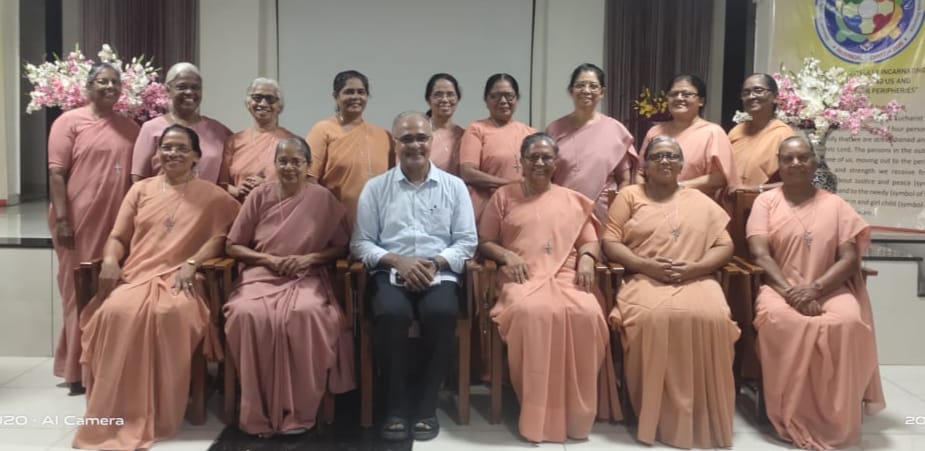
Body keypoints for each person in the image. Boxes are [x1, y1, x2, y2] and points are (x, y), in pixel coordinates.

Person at [73, 124, 240, 450]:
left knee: (170, 312)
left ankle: (160, 405)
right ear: (157, 152)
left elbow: (223, 238)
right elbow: (118, 236)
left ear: (196, 156)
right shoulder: (141, 190)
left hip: (184, 277)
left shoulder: (213, 196)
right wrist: (110, 260)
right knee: (115, 312)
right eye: (167, 147)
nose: (173, 153)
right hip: (137, 275)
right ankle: (117, 410)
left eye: (181, 148)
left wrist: (192, 262)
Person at [746, 136, 885, 450]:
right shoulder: (765, 203)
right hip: (779, 289)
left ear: (814, 162)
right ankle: (792, 412)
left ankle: (836, 415)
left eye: (803, 158)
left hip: (829, 288)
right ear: (779, 165)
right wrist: (791, 294)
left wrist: (814, 289)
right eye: (788, 159)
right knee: (783, 322)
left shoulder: (835, 205)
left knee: (848, 323)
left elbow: (849, 258)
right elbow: (760, 254)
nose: (795, 164)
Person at [602, 136, 739, 449]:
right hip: (643, 278)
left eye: (672, 156)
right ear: (645, 165)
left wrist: (696, 269)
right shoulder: (630, 196)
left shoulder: (700, 200)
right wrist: (644, 265)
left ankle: (704, 418)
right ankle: (655, 414)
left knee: (714, 317)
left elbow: (725, 245)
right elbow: (610, 241)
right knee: (654, 318)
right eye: (658, 156)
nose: (665, 161)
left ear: (682, 165)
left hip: (696, 278)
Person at [351, 111, 477, 441]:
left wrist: (434, 263)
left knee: (441, 313)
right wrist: (397, 261)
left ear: (432, 141)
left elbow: (467, 241)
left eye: (421, 138)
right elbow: (361, 243)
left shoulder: (454, 187)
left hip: (440, 272)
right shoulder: (376, 188)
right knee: (391, 314)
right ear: (395, 143)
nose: (415, 145)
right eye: (406, 139)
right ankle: (395, 405)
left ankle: (425, 405)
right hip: (390, 273)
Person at [478, 133, 609, 443]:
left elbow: (589, 241)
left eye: (546, 157)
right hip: (521, 275)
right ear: (521, 162)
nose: (539, 162)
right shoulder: (504, 196)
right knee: (533, 313)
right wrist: (507, 255)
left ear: (556, 162)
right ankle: (537, 410)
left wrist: (587, 259)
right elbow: (485, 242)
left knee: (588, 314)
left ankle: (576, 414)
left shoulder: (572, 199)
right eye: (533, 157)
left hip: (567, 274)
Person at [223, 137, 353, 437]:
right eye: (283, 161)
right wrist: (267, 259)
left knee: (307, 313)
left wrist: (309, 258)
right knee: (245, 313)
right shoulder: (259, 195)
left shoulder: (322, 198)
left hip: (306, 275)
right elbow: (233, 245)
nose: (289, 167)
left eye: (297, 161)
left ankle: (300, 409)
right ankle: (258, 407)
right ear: (275, 164)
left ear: (308, 165)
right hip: (261, 274)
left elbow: (341, 246)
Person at [46, 62, 139, 395]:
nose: (110, 87)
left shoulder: (130, 127)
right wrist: (63, 220)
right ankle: (75, 369)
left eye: (115, 82)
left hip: (116, 219)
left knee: (108, 289)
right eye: (103, 81)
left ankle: (105, 366)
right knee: (77, 291)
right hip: (77, 220)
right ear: (88, 86)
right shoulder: (68, 122)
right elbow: (57, 173)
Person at [547, 63, 637, 222]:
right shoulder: (554, 129)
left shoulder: (615, 130)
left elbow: (624, 178)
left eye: (593, 86)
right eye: (580, 85)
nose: (586, 90)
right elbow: (546, 175)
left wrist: (618, 212)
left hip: (603, 213)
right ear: (570, 91)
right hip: (562, 210)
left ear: (602, 92)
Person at [307, 70, 393, 227]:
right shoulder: (323, 130)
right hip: (335, 223)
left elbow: (394, 181)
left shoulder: (384, 135)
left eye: (361, 92)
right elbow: (309, 179)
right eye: (349, 92)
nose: (356, 97)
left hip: (378, 223)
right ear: (336, 96)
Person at [131, 62, 232, 184]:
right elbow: (138, 180)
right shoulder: (151, 129)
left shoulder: (218, 131)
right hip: (162, 196)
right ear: (168, 90)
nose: (189, 92)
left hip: (208, 196)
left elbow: (228, 179)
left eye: (195, 87)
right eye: (182, 87)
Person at [639, 74, 736, 200]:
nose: (679, 98)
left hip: (696, 205)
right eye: (674, 94)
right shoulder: (655, 132)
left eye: (686, 94)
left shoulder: (713, 132)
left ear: (701, 101)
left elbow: (720, 178)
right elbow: (640, 172)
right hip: (653, 203)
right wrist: (646, 197)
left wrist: (676, 188)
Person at [459, 73, 536, 218]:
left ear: (517, 99)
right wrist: (510, 184)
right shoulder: (476, 129)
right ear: (486, 100)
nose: (503, 101)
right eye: (496, 96)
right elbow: (468, 172)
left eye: (509, 96)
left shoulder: (531, 133)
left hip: (523, 207)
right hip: (487, 208)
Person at [223, 78, 296, 200]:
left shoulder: (292, 142)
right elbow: (221, 184)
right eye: (257, 98)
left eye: (270, 99)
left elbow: (301, 185)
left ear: (279, 106)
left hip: (279, 208)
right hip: (239, 208)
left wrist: (269, 187)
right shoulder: (234, 141)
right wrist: (237, 190)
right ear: (248, 103)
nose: (263, 104)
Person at [728, 73, 793, 192]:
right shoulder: (736, 131)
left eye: (758, 90)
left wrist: (753, 189)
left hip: (765, 201)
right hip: (730, 200)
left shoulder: (783, 134)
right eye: (746, 93)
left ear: (775, 97)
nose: (751, 96)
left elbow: (796, 182)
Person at [425, 73, 465, 176]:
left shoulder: (465, 136)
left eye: (450, 94)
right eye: (438, 95)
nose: (445, 99)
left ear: (458, 99)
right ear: (428, 100)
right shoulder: (418, 134)